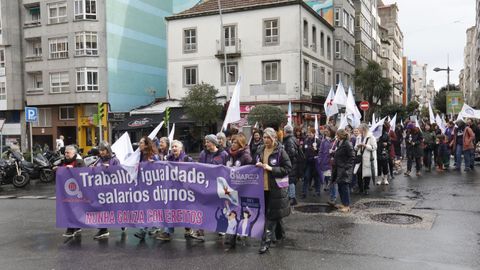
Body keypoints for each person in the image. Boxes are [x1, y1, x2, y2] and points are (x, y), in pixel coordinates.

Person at [254, 128, 291, 254]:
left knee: (271, 216)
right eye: (264, 137)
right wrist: (257, 164)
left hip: (276, 189)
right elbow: (255, 161)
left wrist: (271, 168)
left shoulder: (280, 151)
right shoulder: (260, 149)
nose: (265, 140)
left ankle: (265, 243)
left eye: (268, 138)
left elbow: (287, 168)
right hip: (262, 188)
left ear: (273, 138)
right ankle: (280, 235)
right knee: (272, 214)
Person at [191, 134, 229, 241]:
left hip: (219, 185)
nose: (206, 144)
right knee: (203, 207)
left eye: (208, 142)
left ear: (214, 143)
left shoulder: (223, 154)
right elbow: (200, 168)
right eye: (205, 142)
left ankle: (221, 227)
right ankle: (201, 232)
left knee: (220, 206)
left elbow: (228, 169)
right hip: (206, 185)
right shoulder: (203, 154)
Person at [156, 140, 194, 242]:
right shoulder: (168, 159)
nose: (173, 148)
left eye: (176, 147)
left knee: (184, 210)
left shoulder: (187, 159)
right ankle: (168, 232)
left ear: (181, 148)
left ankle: (188, 228)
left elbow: (194, 172)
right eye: (172, 147)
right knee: (170, 209)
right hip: (172, 190)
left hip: (184, 190)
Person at [93, 141, 121, 240]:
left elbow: (119, 173)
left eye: (103, 150)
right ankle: (103, 229)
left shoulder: (115, 160)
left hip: (112, 190)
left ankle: (122, 222)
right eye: (100, 150)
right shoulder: (98, 160)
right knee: (101, 210)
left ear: (108, 150)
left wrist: (110, 169)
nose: (101, 152)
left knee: (114, 210)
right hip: (101, 190)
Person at [134, 136, 160, 240]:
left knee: (151, 208)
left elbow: (159, 168)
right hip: (143, 186)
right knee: (145, 208)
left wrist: (153, 164)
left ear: (146, 144)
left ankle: (148, 228)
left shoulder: (153, 156)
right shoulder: (140, 155)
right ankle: (145, 229)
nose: (139, 145)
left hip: (152, 187)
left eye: (141, 143)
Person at [60, 145, 86, 238]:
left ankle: (70, 229)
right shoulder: (63, 162)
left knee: (73, 209)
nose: (66, 154)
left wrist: (73, 170)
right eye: (65, 152)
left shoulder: (79, 162)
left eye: (68, 153)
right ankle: (77, 227)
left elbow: (84, 174)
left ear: (74, 153)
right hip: (66, 191)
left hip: (76, 191)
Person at [332, 129, 354, 213]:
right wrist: (334, 153)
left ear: (340, 135)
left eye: (337, 134)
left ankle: (347, 205)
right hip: (339, 168)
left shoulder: (347, 143)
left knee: (344, 187)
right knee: (340, 187)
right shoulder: (339, 142)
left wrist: (346, 167)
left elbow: (352, 157)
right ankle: (343, 203)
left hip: (344, 170)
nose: (336, 136)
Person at [355, 124, 377, 195]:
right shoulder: (358, 137)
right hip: (360, 157)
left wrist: (365, 145)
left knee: (367, 174)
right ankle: (360, 188)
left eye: (360, 129)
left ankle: (366, 188)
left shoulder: (371, 137)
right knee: (359, 173)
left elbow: (374, 147)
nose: (359, 131)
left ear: (364, 129)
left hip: (367, 158)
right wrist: (357, 146)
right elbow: (355, 148)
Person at [317, 126, 336, 205]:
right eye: (325, 131)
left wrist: (333, 152)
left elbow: (338, 151)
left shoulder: (335, 141)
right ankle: (332, 196)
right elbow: (320, 152)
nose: (326, 132)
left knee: (332, 181)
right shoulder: (324, 141)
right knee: (329, 180)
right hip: (325, 163)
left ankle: (333, 198)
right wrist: (320, 160)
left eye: (327, 131)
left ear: (331, 131)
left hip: (332, 164)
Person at [282, 125, 300, 206]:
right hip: (294, 163)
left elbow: (291, 153)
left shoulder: (289, 140)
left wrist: (285, 159)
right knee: (290, 180)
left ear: (285, 131)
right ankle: (291, 196)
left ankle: (292, 198)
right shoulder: (293, 138)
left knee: (291, 180)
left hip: (291, 163)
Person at [301, 127, 321, 198]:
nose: (309, 135)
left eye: (310, 133)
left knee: (316, 177)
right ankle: (304, 192)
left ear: (314, 133)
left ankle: (318, 191)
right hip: (308, 162)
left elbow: (320, 152)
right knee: (306, 177)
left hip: (315, 163)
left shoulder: (318, 141)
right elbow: (303, 150)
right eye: (308, 133)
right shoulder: (306, 141)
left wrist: (317, 149)